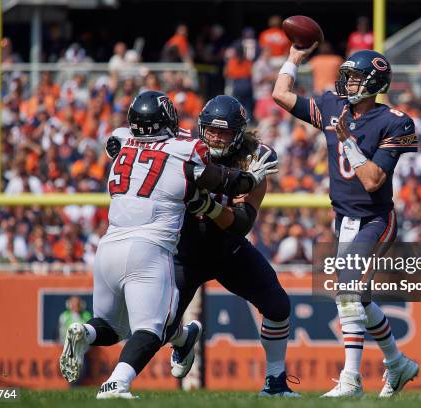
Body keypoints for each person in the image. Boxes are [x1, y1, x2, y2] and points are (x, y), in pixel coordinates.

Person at [58, 91, 276, 399]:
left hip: (108, 244)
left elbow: (116, 140)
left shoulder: (123, 140)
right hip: (151, 248)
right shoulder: (186, 150)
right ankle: (116, 382)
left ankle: (87, 332)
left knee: (113, 327)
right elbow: (225, 181)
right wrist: (250, 180)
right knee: (151, 328)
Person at [106, 95, 296, 396]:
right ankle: (177, 343)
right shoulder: (184, 149)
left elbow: (242, 222)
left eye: (225, 132)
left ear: (239, 133)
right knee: (159, 326)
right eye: (211, 131)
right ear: (200, 128)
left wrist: (206, 206)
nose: (217, 138)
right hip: (185, 252)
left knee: (278, 305)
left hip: (228, 249)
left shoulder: (254, 159)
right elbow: (125, 138)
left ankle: (274, 382)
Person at [272, 44, 419, 397]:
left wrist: (348, 142)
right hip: (343, 219)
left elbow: (371, 181)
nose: (347, 83)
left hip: (374, 219)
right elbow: (280, 93)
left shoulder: (395, 122)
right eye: (347, 76)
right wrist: (293, 58)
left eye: (354, 78)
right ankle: (398, 364)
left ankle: (351, 380)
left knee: (348, 291)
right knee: (359, 299)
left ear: (373, 82)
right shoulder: (332, 106)